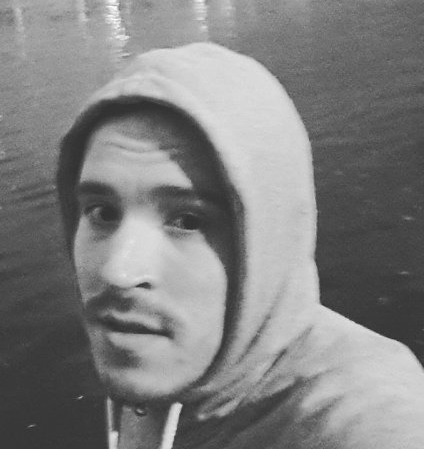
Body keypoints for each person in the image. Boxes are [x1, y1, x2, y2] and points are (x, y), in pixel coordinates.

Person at [56, 42, 424, 449]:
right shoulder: (166, 351)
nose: (118, 271)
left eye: (188, 221)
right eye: (103, 212)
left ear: (267, 241)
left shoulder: (361, 416)